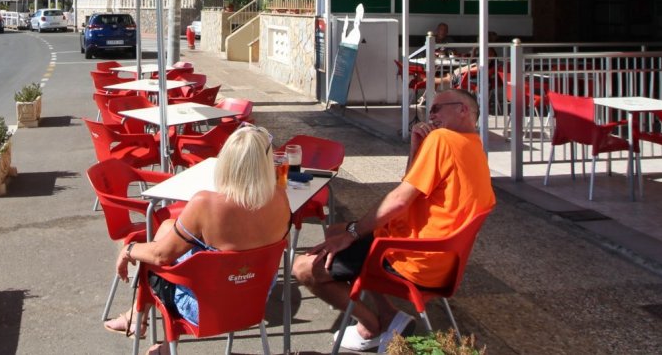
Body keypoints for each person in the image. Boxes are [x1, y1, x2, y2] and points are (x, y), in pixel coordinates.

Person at [293, 88, 495, 351]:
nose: (430, 115)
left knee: (304, 268)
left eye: (436, 109)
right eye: (428, 109)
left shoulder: (443, 139)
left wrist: (353, 234)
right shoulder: (473, 145)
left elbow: (400, 199)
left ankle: (371, 324)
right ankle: (389, 314)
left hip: (411, 259)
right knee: (334, 230)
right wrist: (416, 148)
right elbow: (412, 185)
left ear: (463, 110)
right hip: (442, 261)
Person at [105, 126, 291, 354]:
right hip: (253, 301)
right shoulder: (282, 198)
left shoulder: (205, 203)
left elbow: (161, 256)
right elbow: (282, 244)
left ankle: (141, 320)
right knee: (166, 229)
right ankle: (138, 319)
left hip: (204, 309)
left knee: (151, 263)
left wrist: (129, 249)